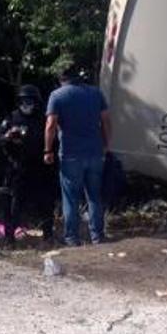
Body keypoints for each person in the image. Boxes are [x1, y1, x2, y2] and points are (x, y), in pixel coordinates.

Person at [44, 67, 111, 246]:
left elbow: (51, 125)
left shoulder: (57, 96)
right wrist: (106, 145)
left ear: (61, 79)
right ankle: (97, 235)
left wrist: (47, 150)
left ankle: (72, 238)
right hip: (95, 152)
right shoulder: (96, 93)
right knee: (94, 196)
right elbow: (105, 120)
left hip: (70, 154)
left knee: (71, 197)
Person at [0, 84, 56, 245]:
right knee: (14, 205)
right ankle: (9, 238)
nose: (26, 105)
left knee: (46, 203)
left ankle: (48, 235)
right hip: (18, 168)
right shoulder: (11, 119)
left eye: (30, 101)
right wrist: (8, 137)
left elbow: (54, 141)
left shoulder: (43, 119)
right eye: (23, 101)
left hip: (40, 168)